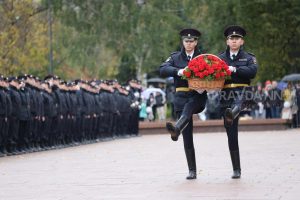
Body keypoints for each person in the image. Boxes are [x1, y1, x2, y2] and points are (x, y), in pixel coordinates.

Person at [160, 28, 207, 180]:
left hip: (197, 95)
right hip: (181, 97)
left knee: (189, 107)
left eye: (191, 41)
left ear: (196, 42)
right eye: (186, 41)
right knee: (187, 137)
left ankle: (177, 128)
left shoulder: (203, 57)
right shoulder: (175, 57)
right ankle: (192, 170)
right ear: (182, 42)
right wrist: (179, 71)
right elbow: (163, 69)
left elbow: (215, 72)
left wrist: (205, 85)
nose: (189, 43)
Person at [218, 25, 258, 179]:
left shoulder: (249, 57)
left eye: (237, 38)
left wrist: (234, 69)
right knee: (231, 134)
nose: (234, 41)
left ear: (242, 41)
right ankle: (236, 169)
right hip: (226, 93)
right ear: (227, 41)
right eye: (231, 38)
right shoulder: (220, 58)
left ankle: (233, 112)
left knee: (239, 101)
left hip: (243, 92)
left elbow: (252, 72)